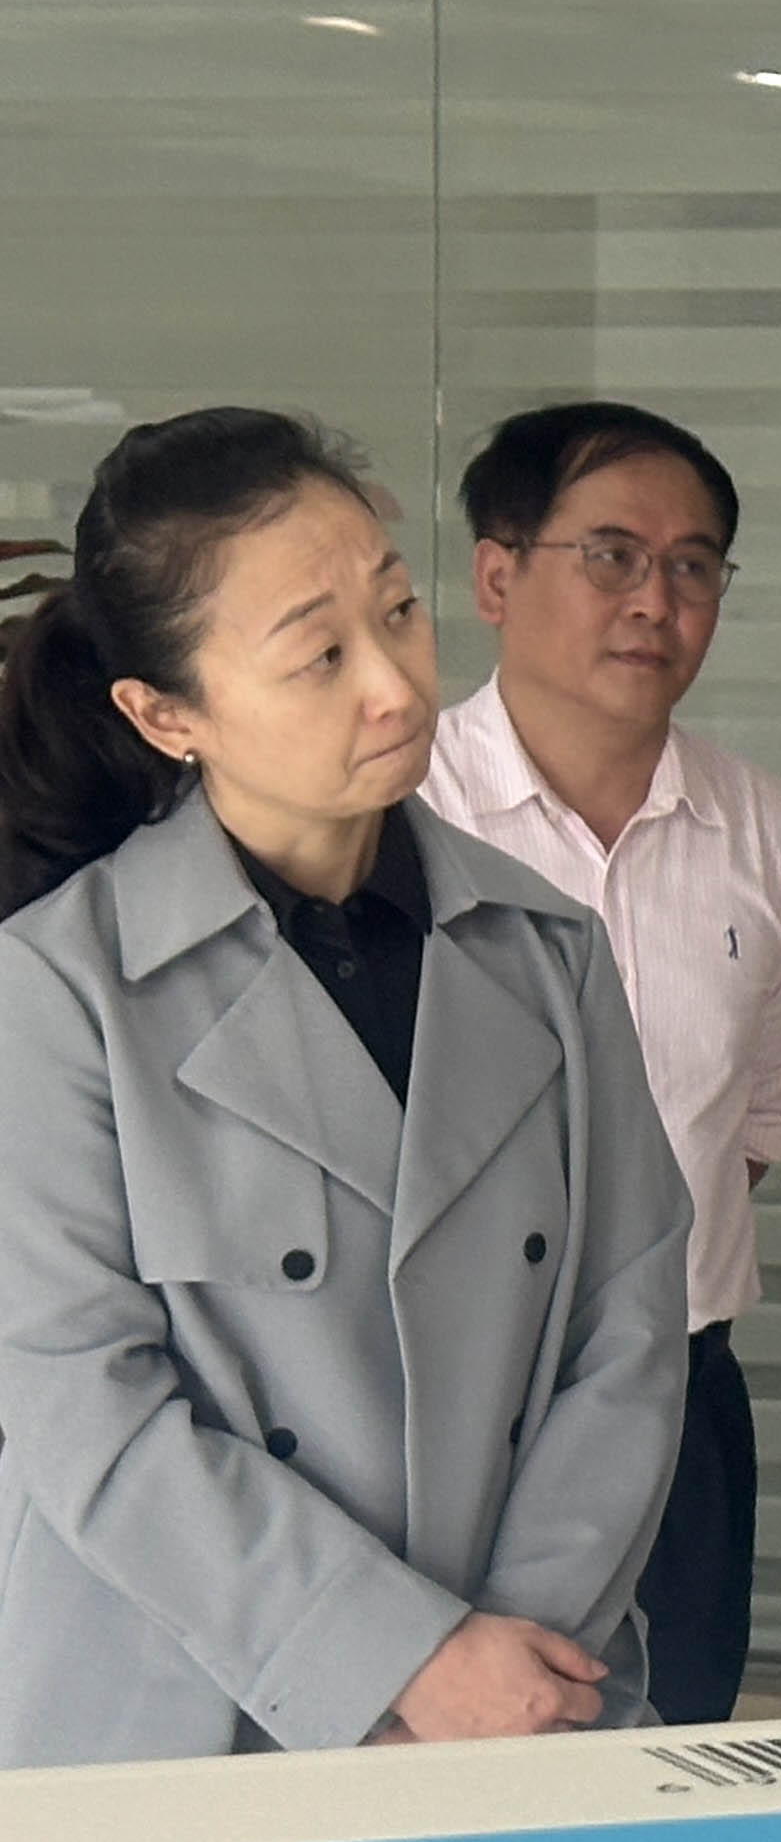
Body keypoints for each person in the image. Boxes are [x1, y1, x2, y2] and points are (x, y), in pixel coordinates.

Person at [0, 408, 692, 1764]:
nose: (394, 684)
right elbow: (84, 1401)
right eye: (320, 655)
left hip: (525, 1701)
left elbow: (629, 1323)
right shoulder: (59, 991)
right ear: (164, 713)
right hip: (189, 1719)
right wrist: (394, 1663)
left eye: (398, 612)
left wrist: (506, 1666)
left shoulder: (547, 949)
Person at [417, 401, 781, 1726]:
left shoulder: (763, 826)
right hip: (445, 1398)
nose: (656, 599)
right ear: (496, 575)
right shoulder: (395, 811)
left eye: (693, 566)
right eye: (611, 556)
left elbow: (760, 1113)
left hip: (680, 1388)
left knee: (679, 1743)